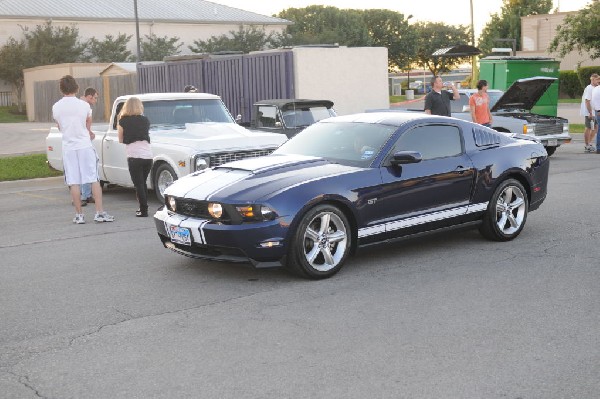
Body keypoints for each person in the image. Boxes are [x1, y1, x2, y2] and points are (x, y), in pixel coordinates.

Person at [52, 75, 114, 224]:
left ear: (61, 89)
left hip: (69, 147)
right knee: (93, 178)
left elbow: (60, 126)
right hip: (84, 146)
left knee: (73, 181)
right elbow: (88, 125)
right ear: (76, 88)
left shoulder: (56, 107)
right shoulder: (84, 105)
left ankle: (79, 215)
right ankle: (99, 212)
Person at [117, 97, 153, 217]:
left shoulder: (122, 121)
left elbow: (120, 139)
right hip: (148, 156)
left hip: (134, 156)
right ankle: (143, 208)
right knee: (142, 183)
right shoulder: (146, 120)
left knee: (138, 185)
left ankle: (144, 210)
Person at [79, 87, 99, 205]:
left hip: (81, 139)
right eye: (95, 98)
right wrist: (88, 133)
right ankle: (83, 196)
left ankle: (86, 194)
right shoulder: (85, 106)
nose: (96, 100)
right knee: (88, 166)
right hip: (82, 141)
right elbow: (86, 122)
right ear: (90, 96)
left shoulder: (80, 104)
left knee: (87, 166)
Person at [580, 73, 599, 152]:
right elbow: (587, 101)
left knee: (595, 128)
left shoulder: (595, 88)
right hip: (589, 112)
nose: (598, 81)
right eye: (597, 79)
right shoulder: (589, 88)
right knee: (588, 127)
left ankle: (589, 143)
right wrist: (590, 112)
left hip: (594, 112)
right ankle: (587, 145)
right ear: (593, 79)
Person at [592, 82, 600, 154]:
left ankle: (598, 148)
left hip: (597, 111)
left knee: (599, 131)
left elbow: (593, 101)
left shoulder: (595, 89)